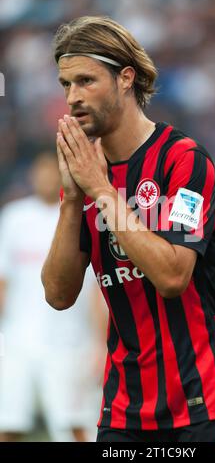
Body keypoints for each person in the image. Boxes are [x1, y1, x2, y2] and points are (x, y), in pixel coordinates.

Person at [42, 16, 215, 443]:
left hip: (201, 408)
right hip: (122, 415)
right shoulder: (85, 176)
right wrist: (73, 198)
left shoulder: (184, 161)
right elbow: (58, 295)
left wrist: (100, 188)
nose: (73, 98)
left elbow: (173, 277)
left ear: (125, 79)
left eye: (85, 81)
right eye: (66, 85)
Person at [0, 152, 107, 442]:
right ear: (33, 175)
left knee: (73, 428)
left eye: (52, 171)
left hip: (69, 344)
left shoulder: (82, 214)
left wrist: (100, 343)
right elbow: (3, 282)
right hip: (17, 342)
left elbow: (97, 287)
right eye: (41, 171)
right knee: (8, 424)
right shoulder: (14, 217)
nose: (46, 177)